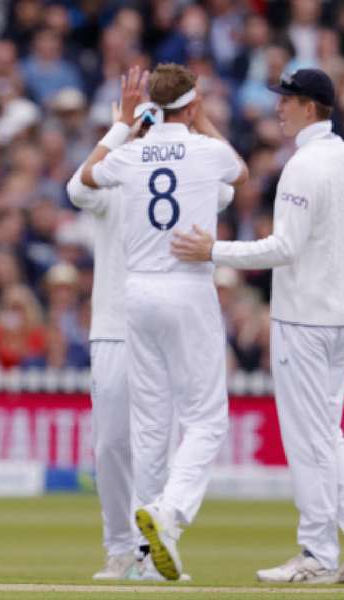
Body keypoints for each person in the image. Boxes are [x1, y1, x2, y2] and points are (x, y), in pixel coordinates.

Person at [172, 68, 344, 584]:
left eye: (287, 100)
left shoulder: (303, 166)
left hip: (303, 322)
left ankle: (318, 554)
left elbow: (284, 249)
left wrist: (213, 251)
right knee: (324, 435)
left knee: (308, 438)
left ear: (309, 108)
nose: (279, 108)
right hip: (337, 320)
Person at [80, 64, 249, 581]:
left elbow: (86, 176)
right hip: (187, 285)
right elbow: (240, 171)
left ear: (153, 106)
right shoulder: (206, 150)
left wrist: (126, 125)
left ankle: (144, 556)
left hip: (137, 292)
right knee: (207, 417)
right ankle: (169, 513)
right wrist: (201, 121)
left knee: (150, 428)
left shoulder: (129, 154)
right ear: (194, 107)